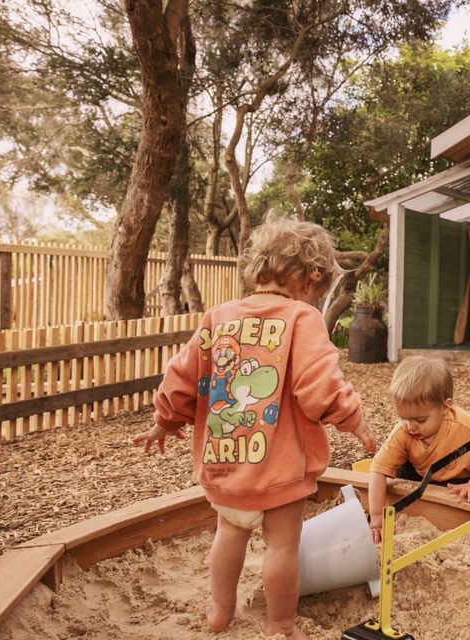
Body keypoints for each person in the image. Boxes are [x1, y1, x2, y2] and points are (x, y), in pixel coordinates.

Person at [133, 217, 377, 639]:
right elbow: (318, 382)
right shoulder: (302, 318)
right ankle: (280, 625)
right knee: (282, 547)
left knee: (229, 535)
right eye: (321, 290)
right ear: (312, 279)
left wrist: (164, 419)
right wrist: (352, 418)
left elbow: (180, 376)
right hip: (279, 468)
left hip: (224, 464)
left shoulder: (218, 317)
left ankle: (219, 612)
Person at [367, 356, 470, 543]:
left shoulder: (465, 427)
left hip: (460, 481)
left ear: (445, 407)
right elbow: (378, 469)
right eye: (403, 418)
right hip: (422, 477)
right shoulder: (403, 431)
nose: (410, 426)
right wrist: (377, 517)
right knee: (397, 472)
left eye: (420, 420)